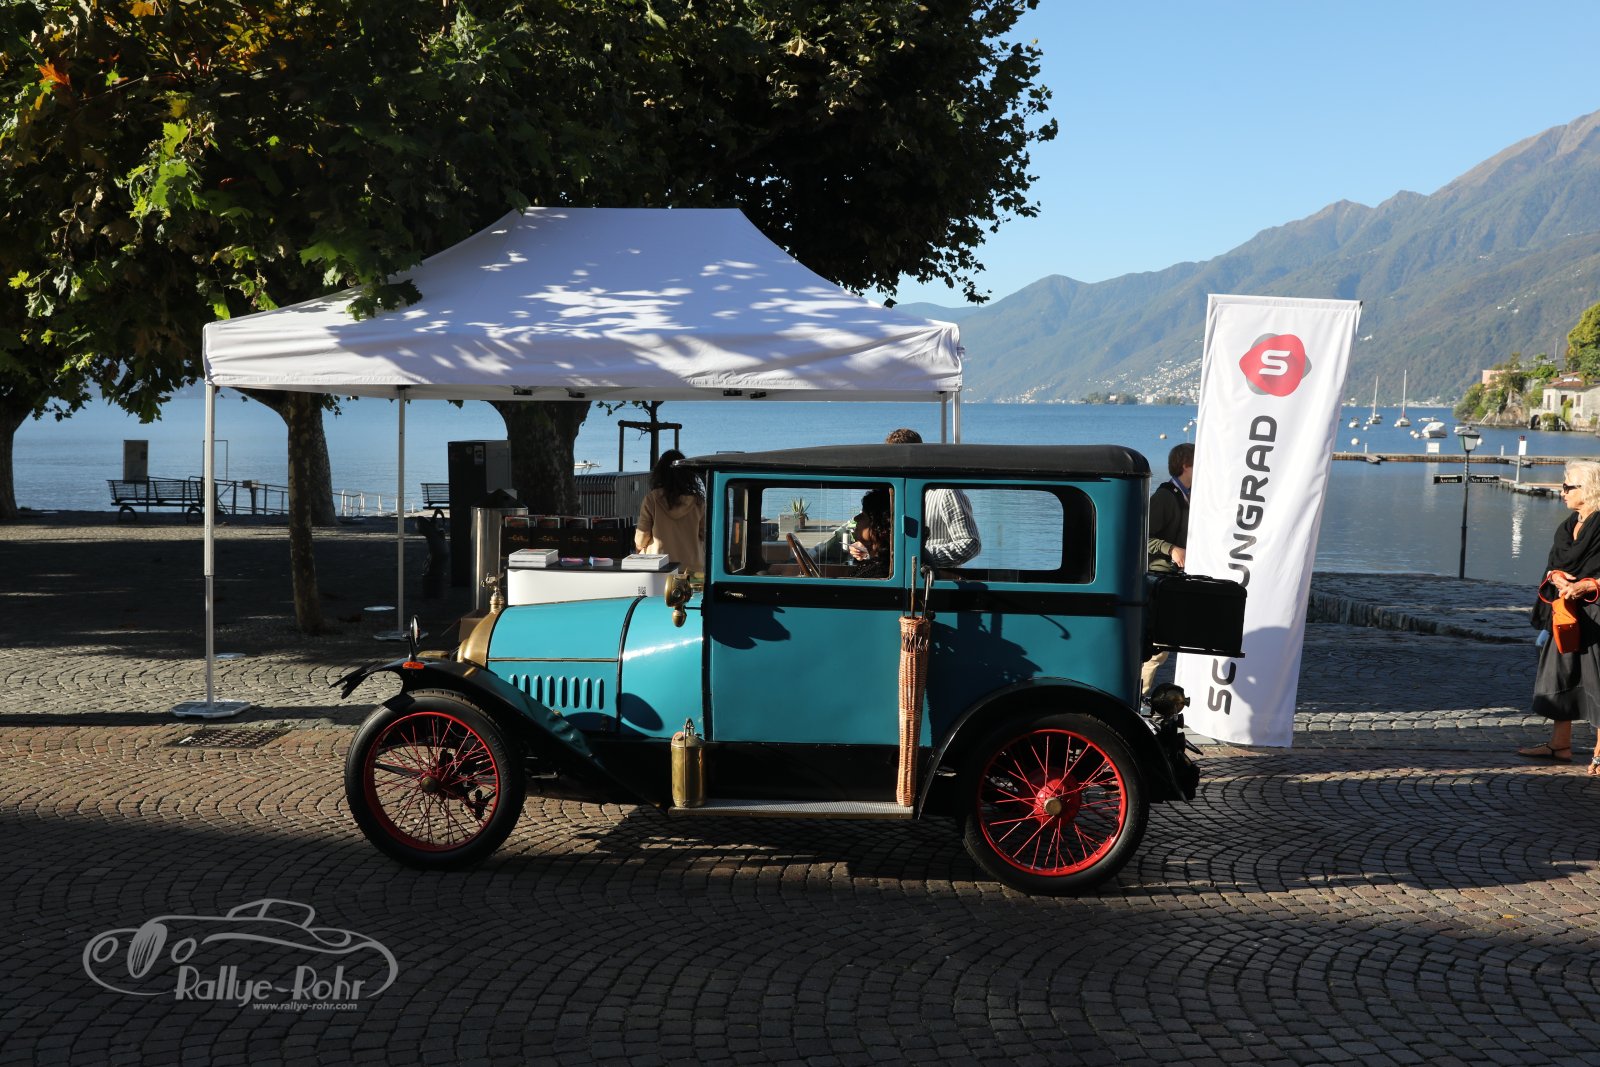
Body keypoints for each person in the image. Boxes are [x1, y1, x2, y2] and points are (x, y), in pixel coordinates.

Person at [1518, 460, 1600, 773]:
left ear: (1589, 490)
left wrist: (1588, 585)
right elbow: (1554, 563)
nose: (1562, 491)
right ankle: (1559, 744)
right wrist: (1557, 577)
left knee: (1597, 678)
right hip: (1564, 611)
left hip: (1596, 613)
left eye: (1568, 486)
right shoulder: (1568, 525)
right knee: (1560, 673)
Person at [881, 428, 981, 566]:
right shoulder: (892, 492)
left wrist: (921, 555)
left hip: (934, 577)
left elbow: (971, 544)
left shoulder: (945, 492)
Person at [1140, 442, 1195, 696]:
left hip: (1176, 579)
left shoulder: (1191, 496)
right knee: (1157, 648)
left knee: (1164, 646)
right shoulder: (1165, 497)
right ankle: (1138, 697)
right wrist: (1170, 548)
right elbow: (1140, 535)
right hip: (1159, 577)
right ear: (1186, 465)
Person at [635, 450, 706, 571]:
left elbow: (642, 538)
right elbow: (705, 535)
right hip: (692, 567)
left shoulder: (652, 499)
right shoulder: (698, 502)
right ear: (688, 474)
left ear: (659, 473)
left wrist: (639, 548)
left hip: (659, 566)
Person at [847, 488, 894, 579]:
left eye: (863, 515)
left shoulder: (879, 573)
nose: (856, 518)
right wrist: (865, 552)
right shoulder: (886, 564)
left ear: (878, 525)